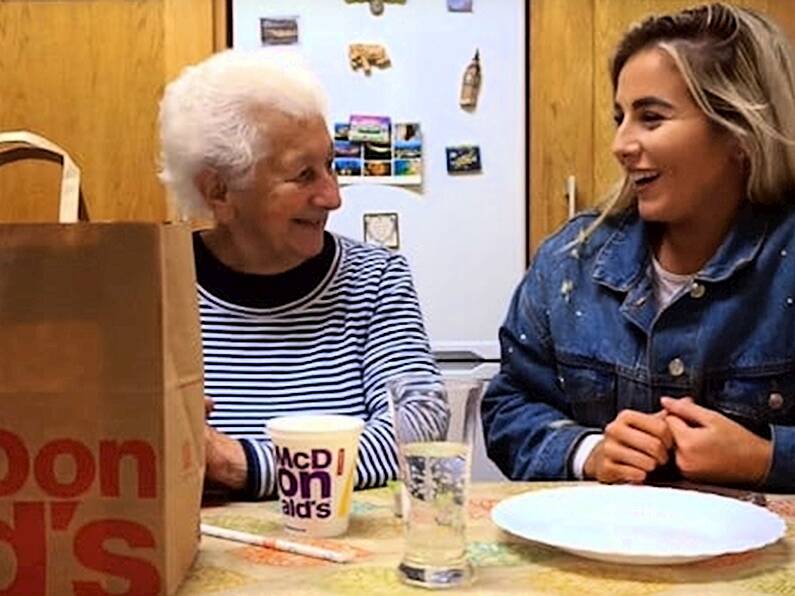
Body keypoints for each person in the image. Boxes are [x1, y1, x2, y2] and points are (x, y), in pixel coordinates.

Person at [482, 3, 795, 491]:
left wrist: (764, 457)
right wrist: (589, 451)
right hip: (600, 557)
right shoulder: (569, 261)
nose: (621, 144)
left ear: (739, 131)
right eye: (619, 117)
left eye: (651, 117)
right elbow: (509, 405)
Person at [158, 50, 438, 500]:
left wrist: (243, 464)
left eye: (330, 164)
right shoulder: (158, 289)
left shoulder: (377, 279)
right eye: (303, 175)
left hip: (352, 557)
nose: (332, 197)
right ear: (220, 191)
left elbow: (417, 430)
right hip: (207, 557)